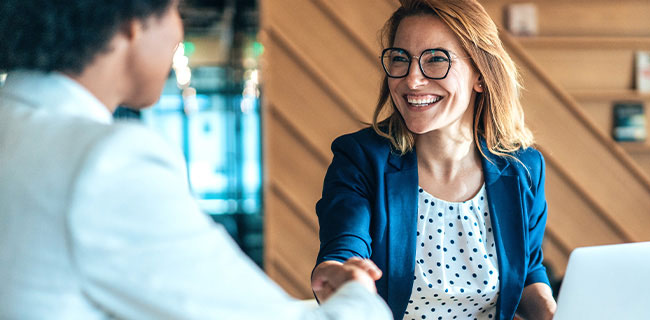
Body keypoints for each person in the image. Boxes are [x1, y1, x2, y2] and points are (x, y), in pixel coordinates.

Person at [0, 1, 391, 319]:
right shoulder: (104, 163)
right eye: (175, 10)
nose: (180, 31)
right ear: (131, 23)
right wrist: (358, 295)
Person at [311, 0, 557, 319]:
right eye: (401, 59)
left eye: (436, 60)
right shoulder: (360, 158)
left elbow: (528, 271)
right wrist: (343, 275)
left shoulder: (524, 168)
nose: (412, 80)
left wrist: (553, 313)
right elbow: (345, 247)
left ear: (480, 75)